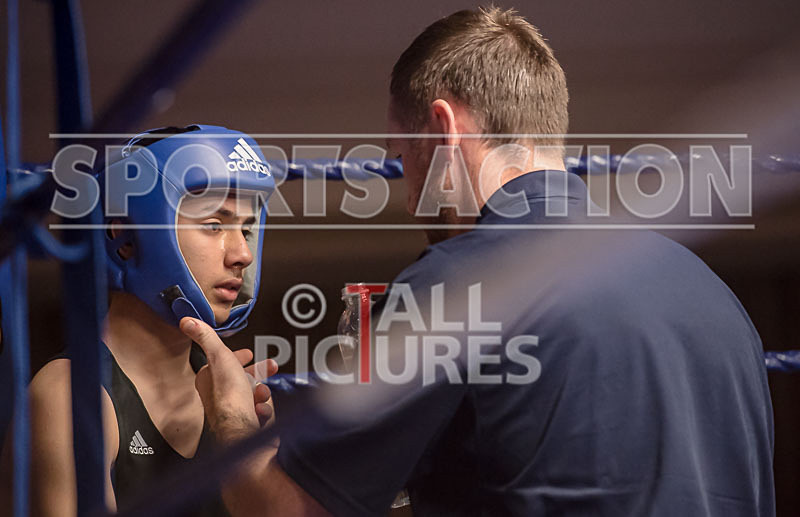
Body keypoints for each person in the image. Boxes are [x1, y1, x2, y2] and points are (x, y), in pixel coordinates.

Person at [184, 6, 775, 516]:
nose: (409, 196)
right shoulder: (714, 294)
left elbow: (288, 511)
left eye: (403, 160)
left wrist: (233, 423)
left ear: (443, 132)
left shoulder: (459, 282)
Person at [5, 125, 277, 516]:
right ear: (127, 236)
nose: (242, 254)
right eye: (214, 225)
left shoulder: (234, 398)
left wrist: (246, 441)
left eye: (245, 229)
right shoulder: (69, 397)